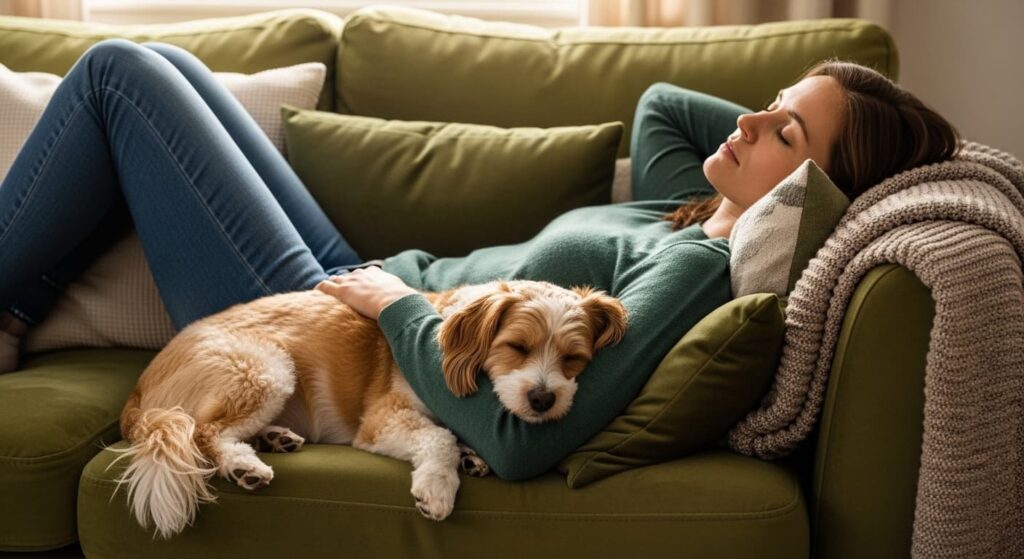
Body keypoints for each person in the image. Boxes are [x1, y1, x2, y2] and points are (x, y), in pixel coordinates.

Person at [0, 39, 959, 479]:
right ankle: (17, 304)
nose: (746, 120)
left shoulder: (694, 273)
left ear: (808, 194)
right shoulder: (699, 207)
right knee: (167, 67)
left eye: (781, 128)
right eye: (763, 102)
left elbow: (523, 435)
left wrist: (393, 308)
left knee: (120, 76)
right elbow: (665, 100)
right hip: (362, 277)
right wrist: (782, 128)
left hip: (333, 318)